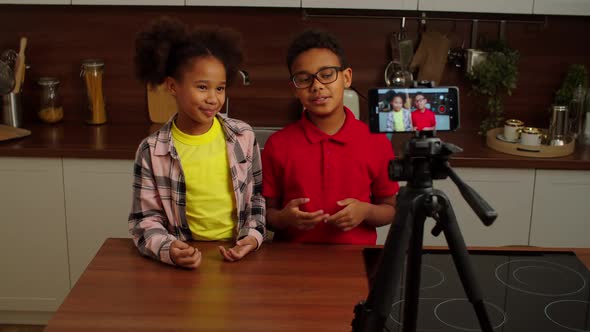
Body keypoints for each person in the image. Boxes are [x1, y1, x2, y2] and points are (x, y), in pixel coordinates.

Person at [129, 17, 265, 269]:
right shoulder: (152, 150)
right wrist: (169, 249)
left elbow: (256, 198)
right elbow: (144, 220)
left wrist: (253, 238)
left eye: (220, 88)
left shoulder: (243, 136)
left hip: (237, 255)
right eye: (202, 87)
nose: (213, 99)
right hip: (187, 258)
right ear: (172, 86)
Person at [261, 29, 398, 245]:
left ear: (346, 77)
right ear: (294, 89)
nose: (317, 86)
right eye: (304, 79)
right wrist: (284, 218)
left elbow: (390, 209)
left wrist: (366, 211)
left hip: (356, 262)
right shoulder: (278, 145)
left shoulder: (376, 141)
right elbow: (268, 214)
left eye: (326, 75)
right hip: (291, 263)